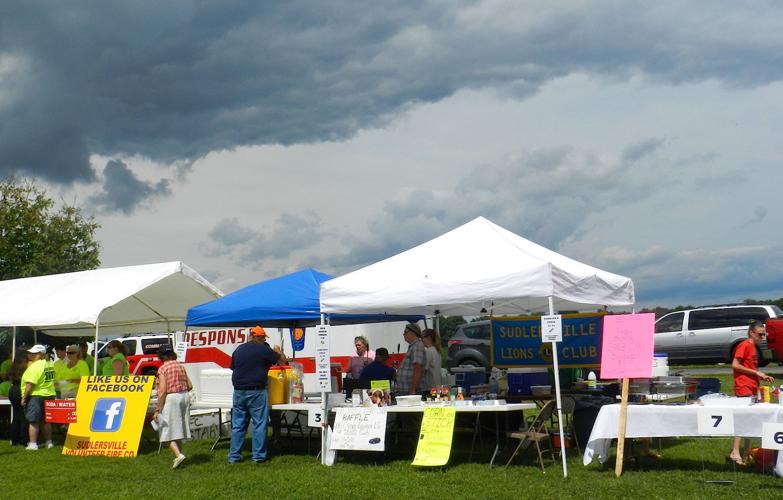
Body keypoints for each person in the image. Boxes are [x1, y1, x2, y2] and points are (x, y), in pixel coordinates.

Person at [228, 325, 285, 464]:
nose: (263, 339)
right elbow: (282, 361)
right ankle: (258, 456)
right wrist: (278, 351)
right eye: (263, 337)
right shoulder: (263, 349)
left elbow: (232, 366)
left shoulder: (239, 349)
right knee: (259, 424)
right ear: (258, 337)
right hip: (256, 391)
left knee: (238, 424)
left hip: (239, 391)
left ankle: (234, 456)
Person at [729, 320, 774, 465]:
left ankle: (746, 453)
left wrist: (760, 376)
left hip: (752, 386)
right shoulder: (745, 345)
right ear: (751, 332)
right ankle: (735, 452)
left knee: (749, 420)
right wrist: (757, 372)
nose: (762, 337)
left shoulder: (753, 347)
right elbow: (735, 365)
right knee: (742, 420)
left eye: (763, 335)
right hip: (743, 387)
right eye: (760, 334)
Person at [152, 345, 193, 469]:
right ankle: (178, 457)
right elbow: (190, 385)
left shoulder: (162, 368)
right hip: (184, 396)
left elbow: (162, 390)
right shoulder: (180, 366)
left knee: (166, 429)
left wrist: (157, 409)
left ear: (161, 356)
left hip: (172, 398)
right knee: (179, 428)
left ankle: (178, 455)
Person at [20, 345, 56, 450]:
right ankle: (49, 442)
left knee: (33, 421)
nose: (30, 355)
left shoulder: (35, 366)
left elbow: (30, 384)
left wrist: (24, 397)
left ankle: (33, 444)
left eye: (34, 353)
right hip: (49, 394)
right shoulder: (50, 364)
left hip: (36, 395)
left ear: (41, 354)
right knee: (46, 420)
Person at [7, 351, 30, 446]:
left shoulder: (12, 368)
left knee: (16, 416)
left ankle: (14, 439)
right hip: (21, 390)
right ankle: (23, 439)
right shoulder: (26, 368)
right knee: (23, 416)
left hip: (12, 390)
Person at [395, 323, 426, 395]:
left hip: (411, 391)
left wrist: (413, 389)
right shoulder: (413, 346)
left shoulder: (417, 346)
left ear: (413, 333)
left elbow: (418, 368)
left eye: (405, 332)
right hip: (406, 390)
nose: (403, 334)